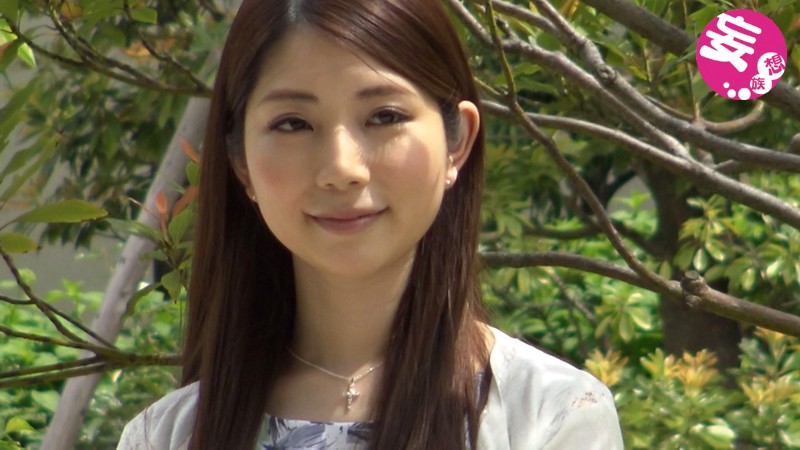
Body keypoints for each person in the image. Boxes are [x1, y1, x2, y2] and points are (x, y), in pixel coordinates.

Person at [117, 0, 624, 449]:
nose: (342, 168)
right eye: (293, 123)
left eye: (384, 116)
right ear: (241, 163)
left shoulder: (551, 417)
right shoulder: (166, 436)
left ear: (458, 142)